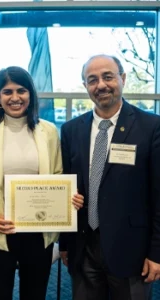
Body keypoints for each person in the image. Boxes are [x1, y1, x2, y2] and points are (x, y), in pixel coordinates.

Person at [0, 66, 84, 300]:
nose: (15, 98)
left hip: (38, 230)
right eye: (7, 92)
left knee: (35, 294)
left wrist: (68, 199)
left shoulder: (47, 131)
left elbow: (58, 175)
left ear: (31, 95)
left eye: (21, 90)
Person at [59, 54, 160, 300]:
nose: (101, 85)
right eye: (92, 80)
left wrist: (157, 252)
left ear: (122, 78)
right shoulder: (71, 130)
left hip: (132, 249)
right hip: (83, 247)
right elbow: (67, 187)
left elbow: (158, 194)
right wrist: (65, 243)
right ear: (85, 86)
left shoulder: (151, 126)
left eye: (108, 76)